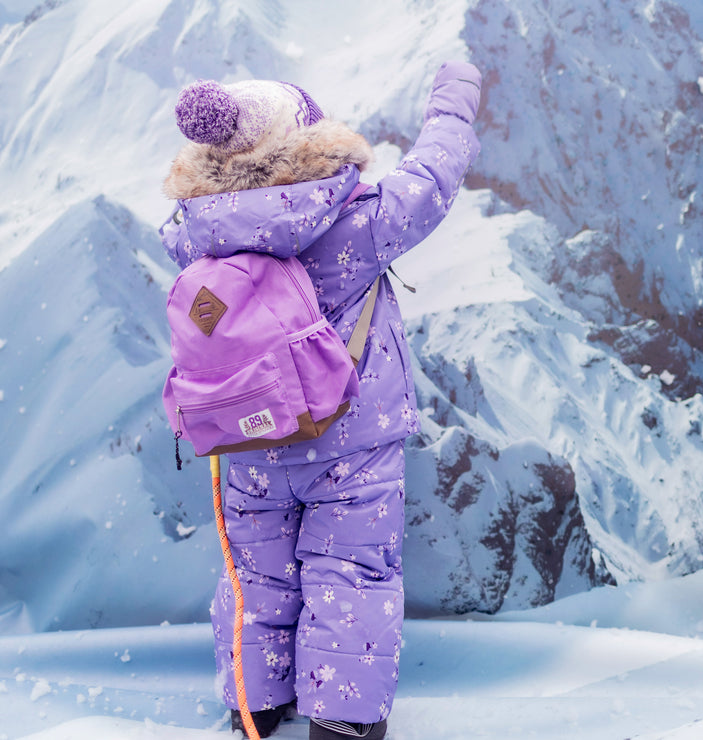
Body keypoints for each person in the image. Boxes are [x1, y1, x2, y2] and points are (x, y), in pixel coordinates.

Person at [160, 61, 481, 740]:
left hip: (246, 435)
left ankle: (256, 701)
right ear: (308, 140)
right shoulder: (353, 225)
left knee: (258, 577)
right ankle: (341, 721)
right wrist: (454, 102)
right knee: (351, 573)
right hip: (349, 437)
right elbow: (434, 175)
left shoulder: (196, 234)